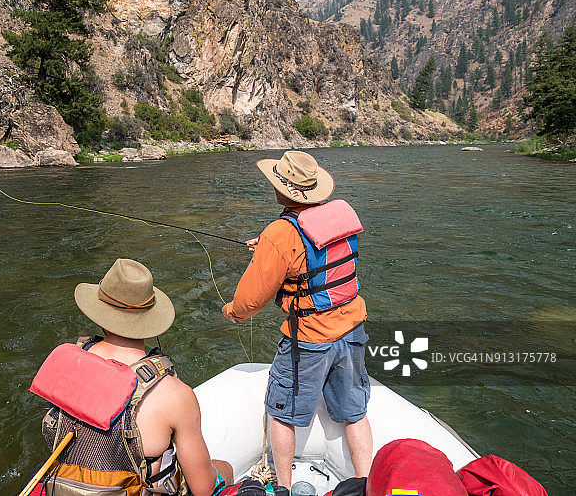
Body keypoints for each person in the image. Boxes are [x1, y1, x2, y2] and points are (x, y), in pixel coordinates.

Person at [221, 151, 372, 487]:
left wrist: (233, 312)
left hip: (311, 339)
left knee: (282, 413)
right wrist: (268, 245)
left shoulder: (280, 234)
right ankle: (365, 485)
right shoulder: (339, 217)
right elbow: (316, 248)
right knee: (354, 414)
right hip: (353, 329)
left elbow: (251, 299)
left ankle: (284, 487)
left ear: (282, 190)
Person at [29, 258, 232, 496]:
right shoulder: (175, 395)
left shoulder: (69, 363)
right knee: (224, 470)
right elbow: (203, 490)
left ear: (100, 313)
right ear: (151, 320)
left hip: (65, 487)